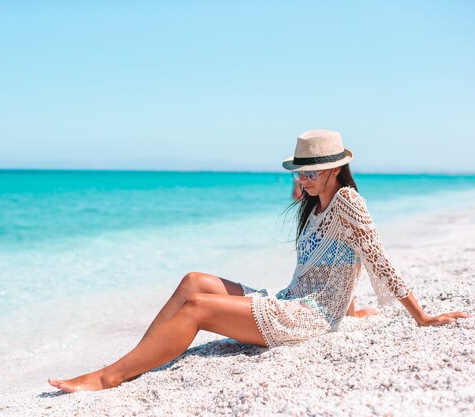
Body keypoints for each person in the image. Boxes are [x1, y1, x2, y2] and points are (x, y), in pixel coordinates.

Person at [49, 129, 471, 393]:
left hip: (305, 318)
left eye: (309, 173)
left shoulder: (348, 201)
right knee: (194, 280)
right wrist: (351, 304)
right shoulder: (318, 205)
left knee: (197, 310)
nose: (301, 180)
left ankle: (109, 376)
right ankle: (136, 359)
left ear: (334, 171)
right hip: (290, 301)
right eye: (298, 173)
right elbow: (332, 265)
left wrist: (423, 318)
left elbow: (377, 258)